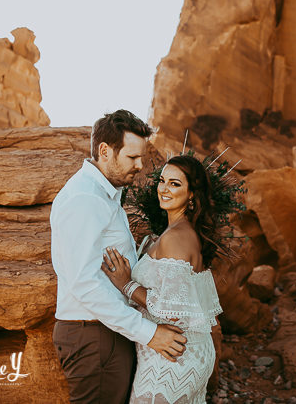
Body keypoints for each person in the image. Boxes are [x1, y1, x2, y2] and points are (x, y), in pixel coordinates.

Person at [50, 110, 187, 404]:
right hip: (93, 336)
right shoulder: (85, 199)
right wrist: (150, 334)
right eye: (132, 157)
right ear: (104, 151)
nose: (139, 166)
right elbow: (83, 282)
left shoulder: (105, 194)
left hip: (106, 331)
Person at [101, 155, 223, 404]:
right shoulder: (179, 232)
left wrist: (127, 284)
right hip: (184, 351)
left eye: (175, 184)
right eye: (162, 180)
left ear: (192, 194)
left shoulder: (176, 238)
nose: (164, 189)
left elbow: (171, 310)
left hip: (173, 356)